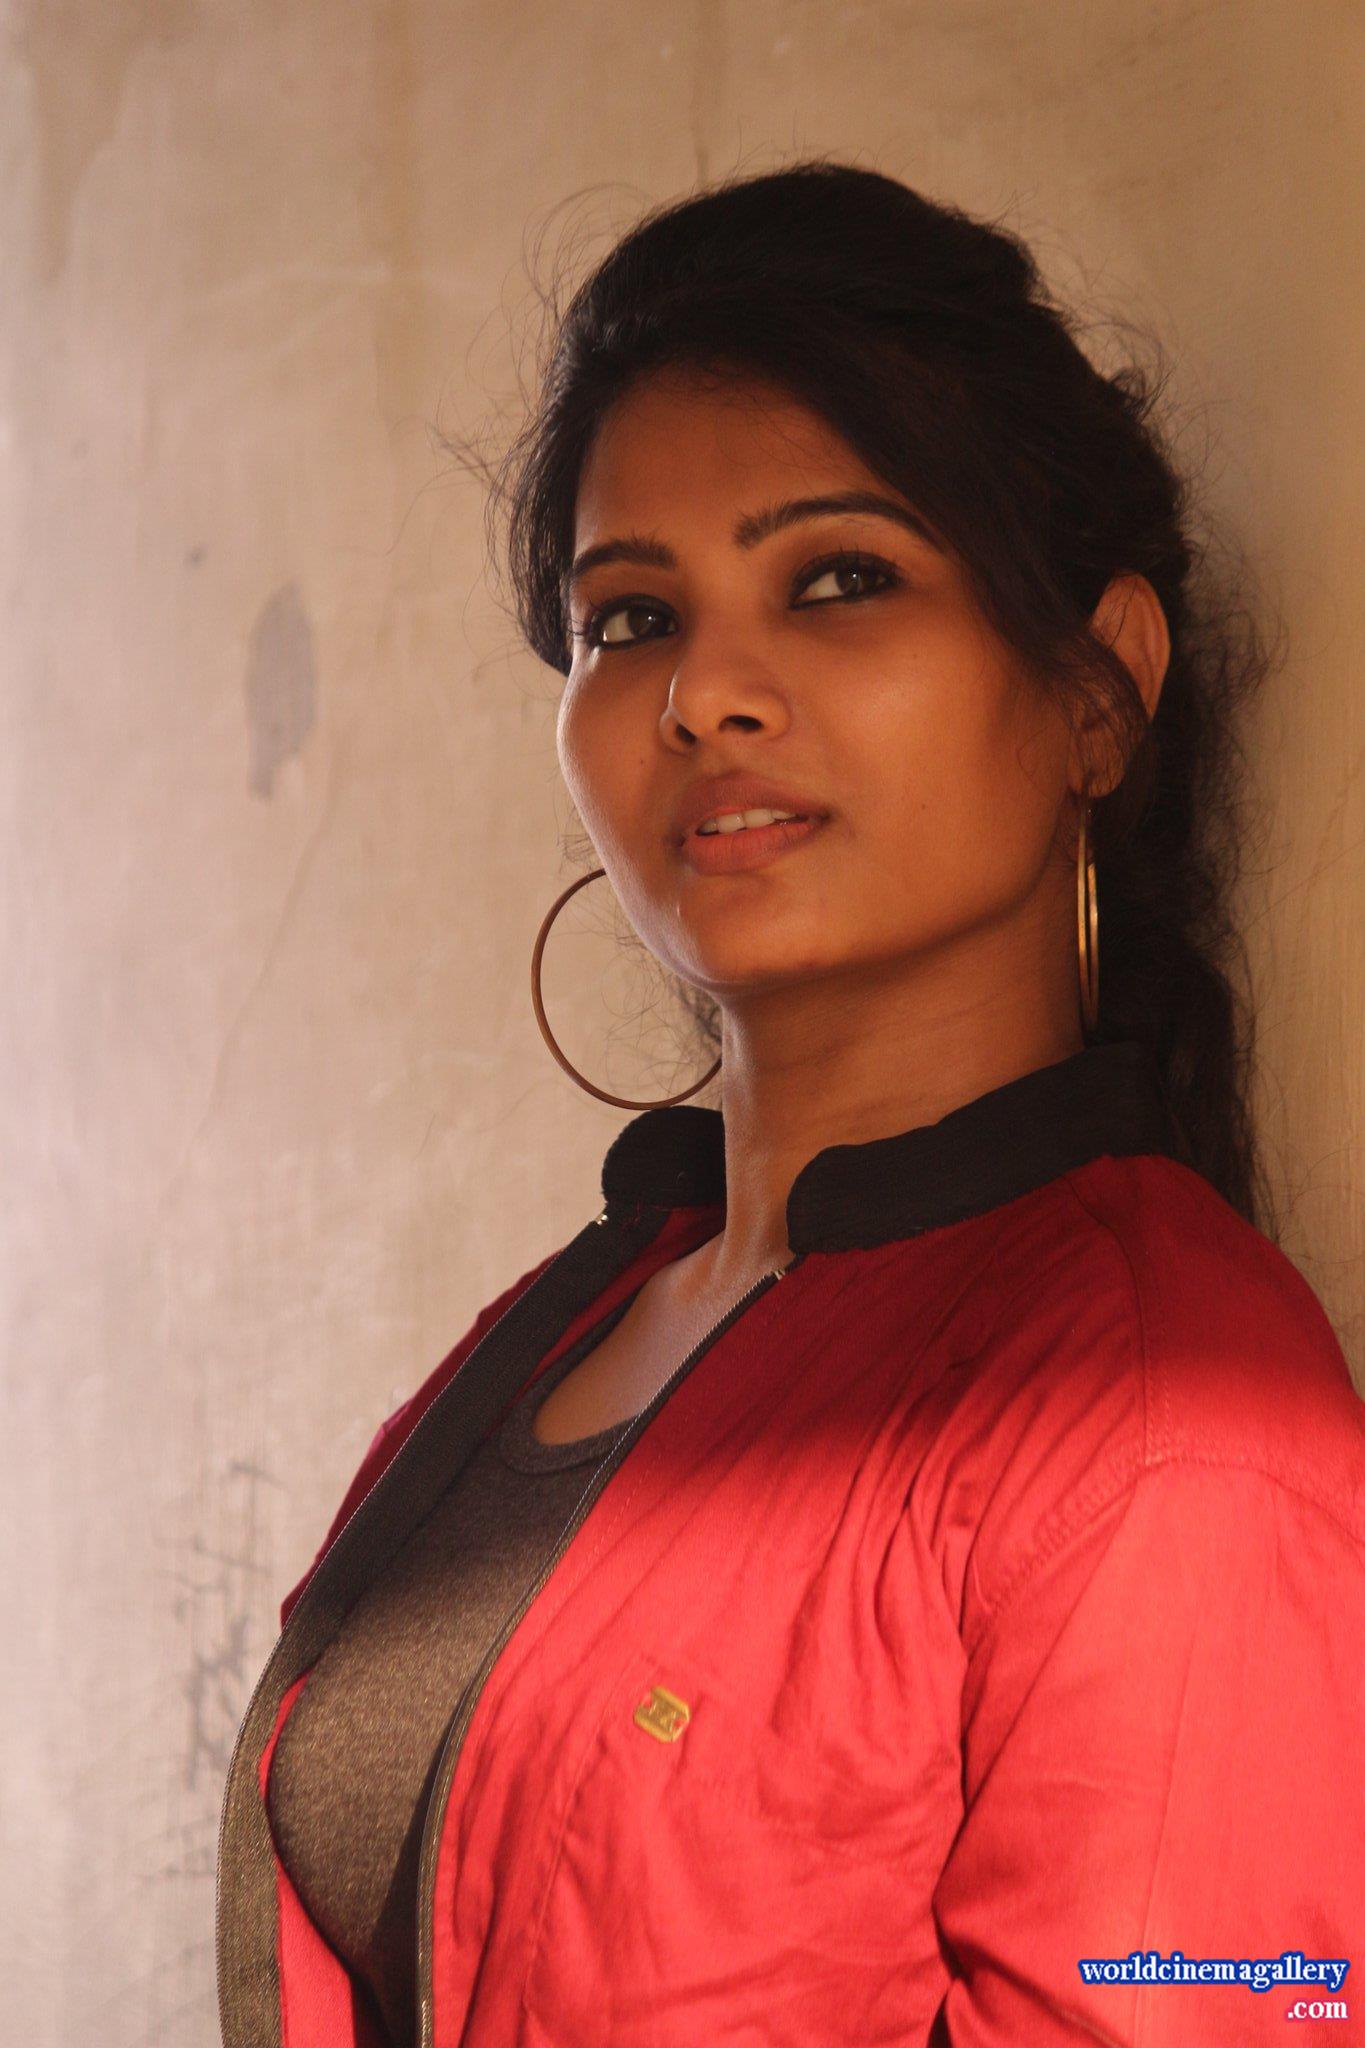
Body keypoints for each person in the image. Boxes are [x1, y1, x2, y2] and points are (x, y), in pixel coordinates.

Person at [216, 161, 1365, 2048]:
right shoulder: (564, 1324)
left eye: (838, 580)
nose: (705, 694)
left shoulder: (1166, 1418)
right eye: (629, 618)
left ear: (1096, 690)